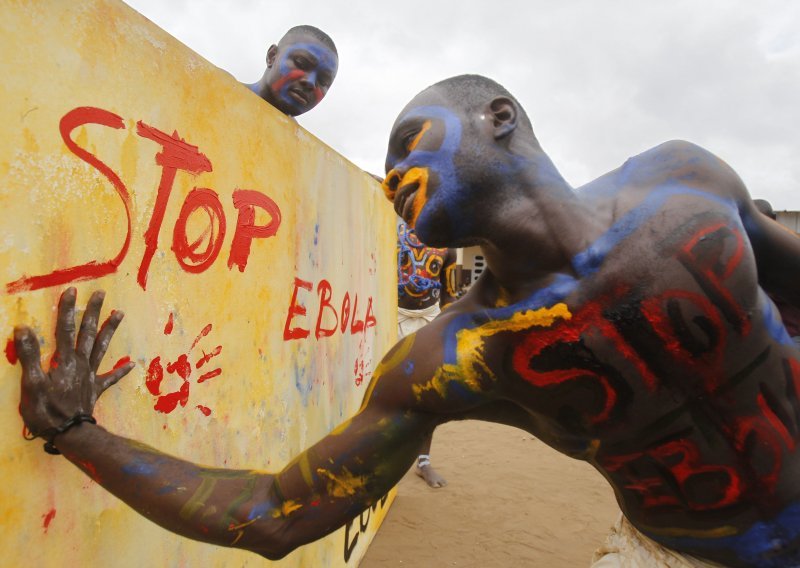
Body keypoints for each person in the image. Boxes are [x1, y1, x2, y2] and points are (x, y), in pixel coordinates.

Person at [14, 74, 800, 567]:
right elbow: (272, 516)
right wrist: (76, 431)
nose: (392, 177)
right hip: (681, 556)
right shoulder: (449, 360)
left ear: (499, 117)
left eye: (406, 146)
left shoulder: (685, 182)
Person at [396, 220, 457, 487]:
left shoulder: (448, 246)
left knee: (427, 391)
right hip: (390, 314)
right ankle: (379, 455)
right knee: (379, 387)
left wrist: (446, 334)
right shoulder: (390, 235)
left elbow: (450, 295)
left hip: (430, 317)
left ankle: (423, 462)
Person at [245, 25, 337, 117]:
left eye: (323, 81)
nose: (310, 82)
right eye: (301, 63)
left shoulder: (292, 132)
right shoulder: (230, 95)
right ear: (272, 56)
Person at [753, 198, 800, 346]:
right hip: (768, 337)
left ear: (772, 219)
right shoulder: (751, 252)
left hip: (790, 337)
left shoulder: (785, 250)